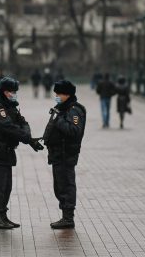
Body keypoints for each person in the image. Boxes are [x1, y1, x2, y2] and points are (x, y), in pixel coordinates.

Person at [0, 77, 43, 229]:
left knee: (7, 186)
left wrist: (28, 138)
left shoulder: (11, 107)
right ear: (4, 91)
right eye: (11, 91)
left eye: (15, 91)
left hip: (7, 153)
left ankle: (3, 215)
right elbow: (8, 127)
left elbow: (23, 123)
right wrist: (28, 138)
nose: (14, 94)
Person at [42, 80, 86, 229]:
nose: (56, 96)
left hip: (66, 154)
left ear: (67, 94)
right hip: (58, 154)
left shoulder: (74, 110)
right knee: (60, 185)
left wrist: (59, 120)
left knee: (66, 185)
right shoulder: (62, 108)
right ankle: (65, 216)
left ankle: (68, 218)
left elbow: (74, 130)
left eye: (59, 93)